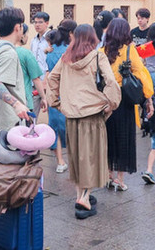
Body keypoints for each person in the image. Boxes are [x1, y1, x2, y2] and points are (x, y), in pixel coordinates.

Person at [47, 24, 121, 219]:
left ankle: (80, 195)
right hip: (93, 114)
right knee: (92, 157)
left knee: (78, 157)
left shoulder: (65, 58)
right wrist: (111, 103)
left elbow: (52, 79)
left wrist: (56, 102)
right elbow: (111, 82)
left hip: (72, 115)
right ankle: (86, 197)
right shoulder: (98, 56)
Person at [102, 18, 155, 190]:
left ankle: (108, 175)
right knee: (124, 139)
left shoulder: (102, 51)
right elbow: (141, 73)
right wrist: (148, 98)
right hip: (124, 100)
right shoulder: (129, 50)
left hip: (107, 100)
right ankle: (120, 179)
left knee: (109, 138)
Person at [0, 8, 30, 134]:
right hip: (10, 124)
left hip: (0, 121)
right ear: (18, 27)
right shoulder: (8, 53)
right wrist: (17, 105)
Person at [46, 20, 78, 173]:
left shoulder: (50, 53)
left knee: (55, 129)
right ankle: (74, 161)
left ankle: (60, 161)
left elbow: (48, 75)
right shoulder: (72, 52)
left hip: (54, 95)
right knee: (72, 128)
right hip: (69, 94)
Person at [18, 24, 48, 113]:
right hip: (25, 98)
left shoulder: (0, 50)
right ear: (21, 34)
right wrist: (43, 97)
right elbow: (36, 78)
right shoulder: (26, 53)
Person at [30, 11, 51, 112]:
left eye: (40, 22)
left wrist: (46, 80)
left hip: (48, 81)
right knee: (33, 112)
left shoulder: (51, 40)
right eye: (35, 22)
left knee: (52, 112)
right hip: (35, 82)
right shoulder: (33, 41)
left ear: (47, 23)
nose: (37, 25)